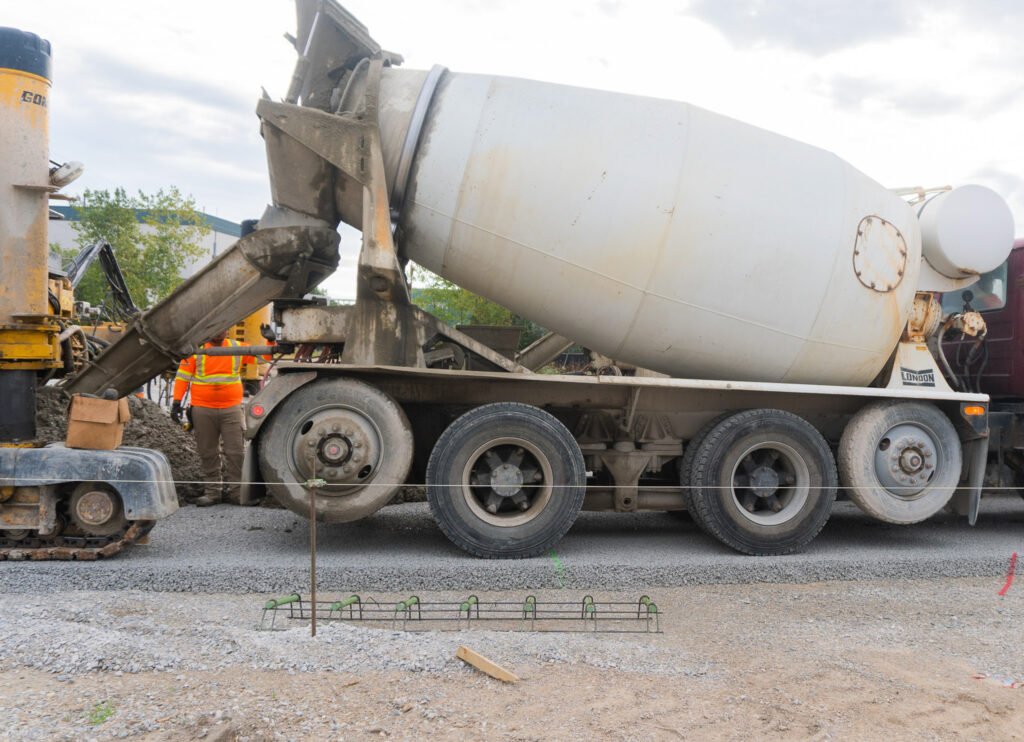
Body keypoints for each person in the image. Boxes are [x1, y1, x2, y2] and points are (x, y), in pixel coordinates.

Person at [171, 328, 271, 506]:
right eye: (215, 330)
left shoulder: (237, 348)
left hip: (230, 409)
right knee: (208, 452)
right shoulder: (196, 351)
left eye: (222, 330)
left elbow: (265, 358)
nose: (219, 333)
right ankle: (213, 493)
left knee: (236, 452)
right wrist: (176, 402)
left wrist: (271, 341)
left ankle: (238, 494)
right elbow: (182, 377)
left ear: (228, 330)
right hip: (202, 409)